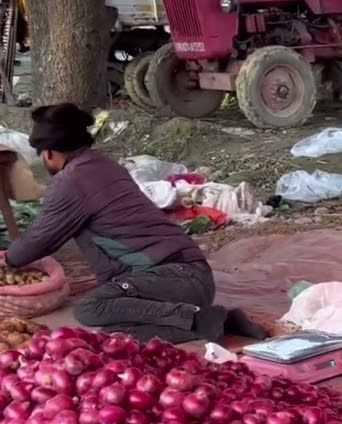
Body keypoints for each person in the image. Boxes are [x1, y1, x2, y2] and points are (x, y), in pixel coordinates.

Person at [4, 103, 266, 343]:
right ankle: (220, 322)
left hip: (174, 279)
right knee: (117, 334)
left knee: (90, 308)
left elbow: (37, 242)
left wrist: (8, 259)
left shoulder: (70, 181)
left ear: (48, 153)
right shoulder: (104, 164)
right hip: (189, 279)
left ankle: (201, 319)